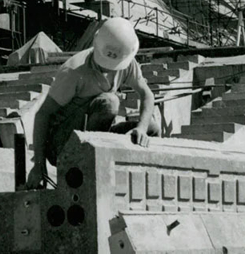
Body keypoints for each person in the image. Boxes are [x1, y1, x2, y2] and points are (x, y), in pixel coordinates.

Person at [25, 17, 156, 188]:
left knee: (152, 128)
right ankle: (87, 163)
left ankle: (131, 180)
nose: (110, 69)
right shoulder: (73, 72)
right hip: (62, 144)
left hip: (95, 134)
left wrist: (142, 128)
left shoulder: (127, 62)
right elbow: (43, 114)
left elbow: (147, 95)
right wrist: (39, 165)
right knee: (109, 102)